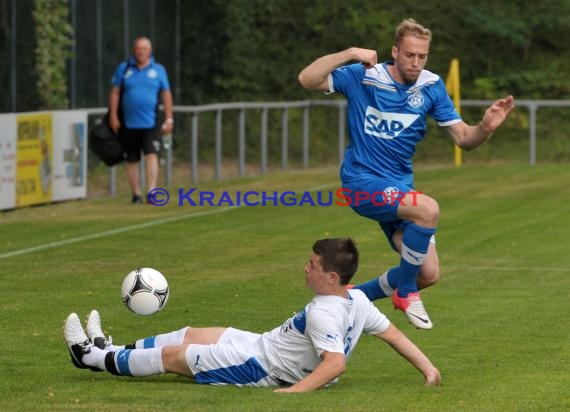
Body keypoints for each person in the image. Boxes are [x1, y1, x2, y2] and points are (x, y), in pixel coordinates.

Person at [298, 19, 515, 329]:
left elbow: (465, 139)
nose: (416, 62)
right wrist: (349, 52)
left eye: (422, 56)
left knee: (428, 273)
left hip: (399, 188)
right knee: (428, 210)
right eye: (410, 55)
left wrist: (485, 128)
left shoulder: (431, 86)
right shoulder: (364, 75)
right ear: (395, 51)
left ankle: (351, 298)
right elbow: (307, 78)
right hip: (361, 182)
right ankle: (406, 293)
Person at [64, 238, 441, 392]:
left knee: (172, 357)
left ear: (330, 276)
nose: (305, 268)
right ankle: (111, 349)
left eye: (311, 265)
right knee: (190, 332)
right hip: (262, 344)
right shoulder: (355, 299)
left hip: (261, 367)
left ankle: (91, 357)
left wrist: (293, 393)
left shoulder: (326, 313)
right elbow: (395, 335)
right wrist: (429, 369)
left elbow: (335, 364)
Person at [108, 36, 174, 204]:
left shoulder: (158, 70)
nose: (141, 52)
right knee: (132, 158)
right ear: (134, 50)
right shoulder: (124, 69)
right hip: (129, 122)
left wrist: (169, 118)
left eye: (144, 48)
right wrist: (113, 115)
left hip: (150, 121)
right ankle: (136, 194)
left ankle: (152, 191)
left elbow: (166, 93)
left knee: (151, 154)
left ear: (150, 51)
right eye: (138, 48)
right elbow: (115, 92)